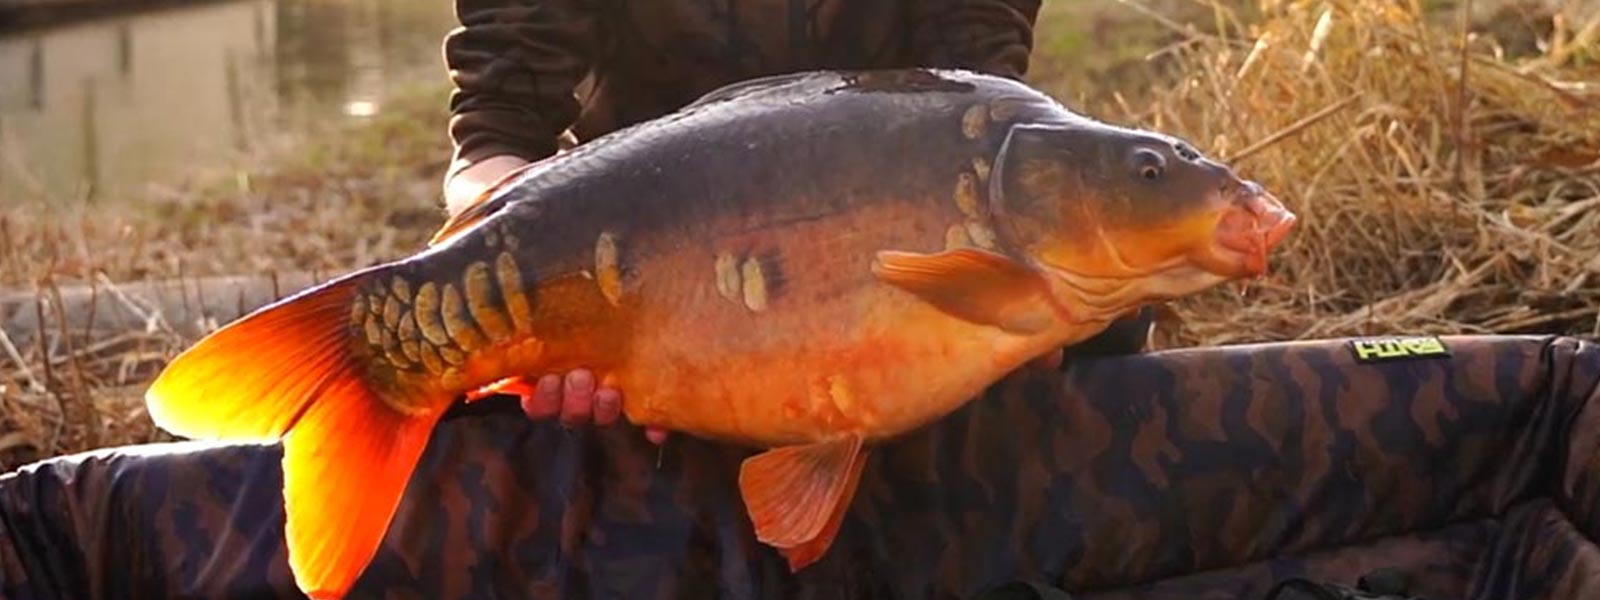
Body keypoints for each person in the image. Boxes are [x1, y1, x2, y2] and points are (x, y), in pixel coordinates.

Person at [436, 0, 1155, 437]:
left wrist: (1011, 299)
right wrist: (523, 288)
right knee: (468, 382)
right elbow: (496, 136)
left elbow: (972, 90)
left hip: (889, 246)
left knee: (1101, 317)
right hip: (645, 261)